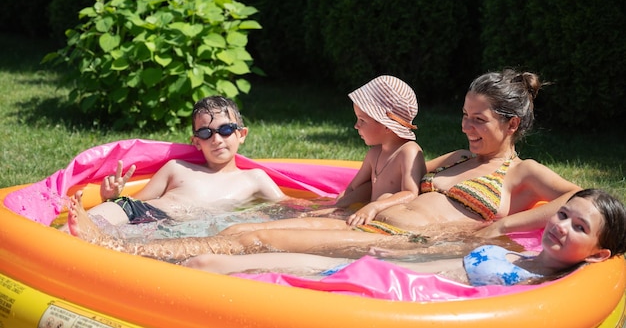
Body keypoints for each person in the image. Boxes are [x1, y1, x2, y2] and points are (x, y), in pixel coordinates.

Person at [67, 69, 583, 262]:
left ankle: (114, 250)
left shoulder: (520, 172)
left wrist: (504, 224)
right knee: (252, 225)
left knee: (254, 239)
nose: (468, 127)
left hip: (408, 243)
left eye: (480, 120)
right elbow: (395, 185)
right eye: (465, 116)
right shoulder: (456, 158)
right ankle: (130, 245)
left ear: (512, 124)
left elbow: (581, 199)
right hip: (373, 223)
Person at [182, 189, 626, 288]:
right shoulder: (529, 256)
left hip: (376, 292)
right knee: (212, 263)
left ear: (599, 254)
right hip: (377, 270)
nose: (561, 225)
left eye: (578, 228)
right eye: (564, 215)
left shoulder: (547, 286)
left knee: (222, 274)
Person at [227, 74, 425, 231]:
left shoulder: (408, 152)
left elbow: (410, 193)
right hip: (364, 216)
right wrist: (332, 207)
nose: (356, 126)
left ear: (387, 126)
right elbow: (353, 188)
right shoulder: (374, 154)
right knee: (296, 216)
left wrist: (373, 207)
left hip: (388, 225)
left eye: (362, 120)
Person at [79, 95, 285, 226]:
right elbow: (138, 201)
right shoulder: (177, 168)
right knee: (78, 227)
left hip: (183, 231)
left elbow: (290, 208)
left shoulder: (254, 178)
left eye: (226, 130)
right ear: (196, 142)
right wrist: (113, 197)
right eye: (206, 133)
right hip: (142, 213)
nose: (217, 140)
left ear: (241, 134)